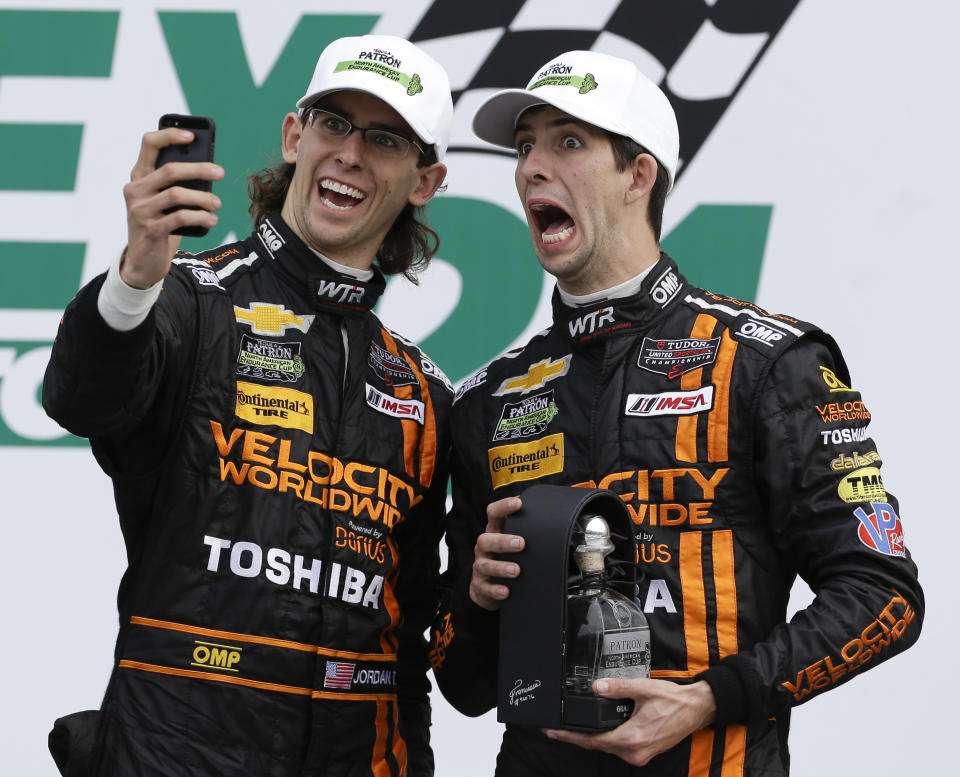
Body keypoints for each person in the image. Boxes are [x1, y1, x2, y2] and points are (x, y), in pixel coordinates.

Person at [429, 50, 923, 775]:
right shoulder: (490, 399)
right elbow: (464, 684)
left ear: (639, 175)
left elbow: (885, 596)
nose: (532, 165)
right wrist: (474, 601)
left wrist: (711, 698)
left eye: (568, 141)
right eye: (526, 143)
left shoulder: (765, 362)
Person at [43, 34, 454, 777]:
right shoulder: (190, 300)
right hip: (173, 751)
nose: (351, 154)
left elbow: (409, 640)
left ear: (424, 181)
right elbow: (81, 398)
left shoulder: (424, 392)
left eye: (385, 139)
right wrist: (136, 272)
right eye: (334, 124)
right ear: (295, 137)